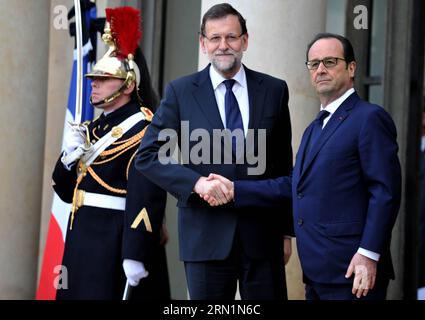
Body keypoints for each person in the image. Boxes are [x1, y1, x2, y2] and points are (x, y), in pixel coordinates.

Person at [204, 33, 402, 300]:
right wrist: (235, 189)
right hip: (317, 274)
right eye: (314, 64)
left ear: (351, 68)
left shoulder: (369, 118)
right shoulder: (314, 128)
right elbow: (293, 186)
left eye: (330, 62)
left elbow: (385, 192)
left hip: (354, 272)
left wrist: (368, 253)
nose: (321, 69)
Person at [135, 3, 293, 300]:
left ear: (245, 40)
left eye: (231, 37)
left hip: (263, 236)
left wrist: (286, 232)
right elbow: (150, 156)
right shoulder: (181, 92)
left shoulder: (274, 90)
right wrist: (196, 183)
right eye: (215, 38)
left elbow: (283, 165)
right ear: (202, 43)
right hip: (204, 235)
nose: (224, 46)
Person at [52, 7, 170, 300]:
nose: (94, 82)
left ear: (128, 84)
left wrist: (136, 251)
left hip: (114, 242)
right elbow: (66, 192)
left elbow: (146, 197)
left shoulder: (144, 129)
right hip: (80, 238)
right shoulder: (92, 129)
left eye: (103, 78)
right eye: (94, 77)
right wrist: (67, 159)